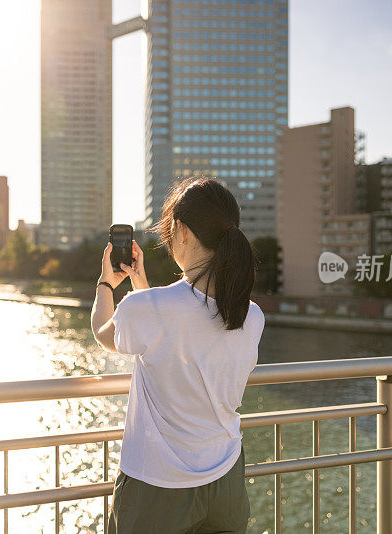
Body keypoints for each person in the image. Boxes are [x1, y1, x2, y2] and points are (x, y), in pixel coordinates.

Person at [90, 177, 265, 533]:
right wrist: (142, 286)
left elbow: (103, 333)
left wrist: (106, 283)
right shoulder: (252, 314)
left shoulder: (148, 309)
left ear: (181, 230)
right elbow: (177, 325)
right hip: (225, 478)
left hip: (157, 485)